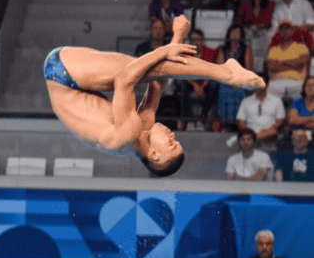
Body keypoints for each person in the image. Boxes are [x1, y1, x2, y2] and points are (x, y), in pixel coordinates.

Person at [45, 15, 265, 177]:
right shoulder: (142, 131)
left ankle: (224, 72)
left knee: (138, 70)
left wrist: (163, 50)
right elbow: (158, 85)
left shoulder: (128, 134)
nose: (172, 136)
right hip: (73, 81)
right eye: (176, 141)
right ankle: (224, 72)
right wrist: (177, 36)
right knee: (147, 72)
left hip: (61, 72)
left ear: (154, 154)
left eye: (171, 144)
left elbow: (124, 79)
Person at [234, 0, 276, 72]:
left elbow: (268, 22)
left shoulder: (271, 4)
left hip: (264, 34)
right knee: (243, 35)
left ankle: (262, 70)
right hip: (248, 35)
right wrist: (244, 28)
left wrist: (254, 27)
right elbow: (238, 21)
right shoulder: (245, 4)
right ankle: (246, 68)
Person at [181, 28, 220, 130]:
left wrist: (202, 86)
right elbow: (183, 72)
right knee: (182, 85)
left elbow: (213, 72)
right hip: (191, 82)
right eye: (193, 40)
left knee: (214, 85)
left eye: (198, 39)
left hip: (206, 83)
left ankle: (202, 119)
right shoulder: (185, 53)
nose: (196, 42)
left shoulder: (211, 52)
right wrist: (194, 85)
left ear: (202, 40)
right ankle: (188, 120)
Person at [237, 72, 286, 151]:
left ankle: (255, 140)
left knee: (273, 132)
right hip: (251, 133)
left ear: (267, 84)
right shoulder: (246, 101)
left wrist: (267, 131)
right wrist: (251, 133)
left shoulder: (277, 100)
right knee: (246, 136)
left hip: (269, 134)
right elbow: (241, 122)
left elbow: (280, 121)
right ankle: (255, 140)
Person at [216, 24, 253, 127]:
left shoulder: (247, 49)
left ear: (242, 35)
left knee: (239, 91)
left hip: (243, 80)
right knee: (225, 91)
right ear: (228, 34)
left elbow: (249, 70)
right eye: (233, 32)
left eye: (238, 32)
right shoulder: (222, 49)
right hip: (226, 81)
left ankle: (240, 123)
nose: (235, 35)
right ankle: (226, 123)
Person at [266, 19, 311, 101]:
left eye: (287, 28)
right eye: (282, 29)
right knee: (269, 97)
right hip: (276, 82)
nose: (285, 31)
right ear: (279, 31)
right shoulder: (273, 49)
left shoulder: (302, 47)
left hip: (297, 82)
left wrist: (280, 62)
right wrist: (292, 63)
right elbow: (272, 67)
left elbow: (299, 65)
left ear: (293, 30)